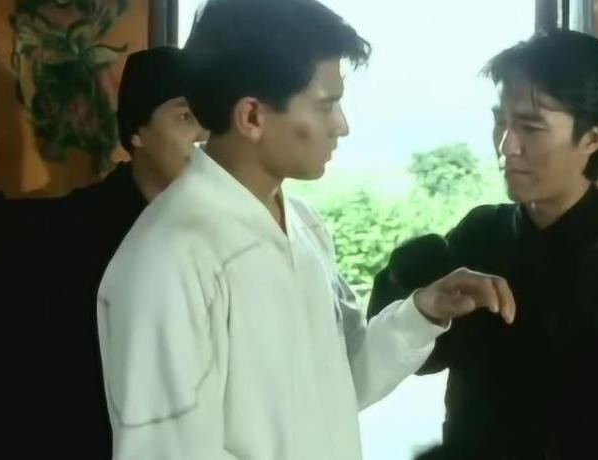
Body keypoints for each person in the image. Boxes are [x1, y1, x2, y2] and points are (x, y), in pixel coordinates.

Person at [96, 1, 516, 459]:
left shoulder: (304, 227)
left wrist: (423, 312)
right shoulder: (169, 256)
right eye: (325, 105)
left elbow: (339, 383)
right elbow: (164, 450)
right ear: (251, 117)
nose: (342, 126)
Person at [369, 30, 598, 459]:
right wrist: (420, 297)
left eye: (530, 126)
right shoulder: (480, 234)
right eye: (501, 121)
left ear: (593, 138)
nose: (506, 146)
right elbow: (420, 358)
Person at [44, 46, 207, 458]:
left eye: (209, 118)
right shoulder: (79, 228)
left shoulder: (215, 222)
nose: (203, 136)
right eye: (186, 117)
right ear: (137, 132)